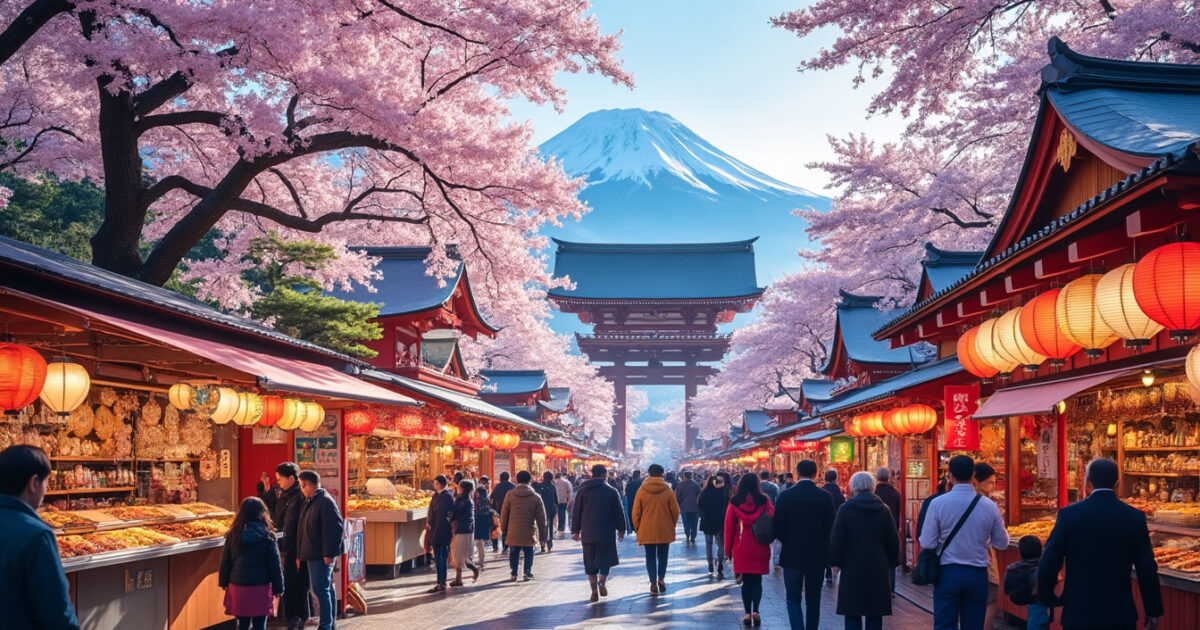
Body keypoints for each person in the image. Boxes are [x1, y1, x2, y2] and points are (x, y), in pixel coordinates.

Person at [1038, 458, 1162, 630]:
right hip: (1119, 613)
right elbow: (1147, 568)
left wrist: (1047, 597)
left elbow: (1049, 560)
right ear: (1117, 483)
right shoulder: (1134, 517)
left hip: (1079, 611)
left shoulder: (1069, 515)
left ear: (1088, 481)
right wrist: (1153, 609)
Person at [918, 455, 1008, 630]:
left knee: (945, 623)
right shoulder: (989, 506)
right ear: (973, 476)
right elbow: (1002, 543)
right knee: (974, 624)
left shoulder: (938, 504)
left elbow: (927, 542)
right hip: (978, 573)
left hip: (948, 572)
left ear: (949, 476)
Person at [0, 445, 80, 630]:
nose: (45, 489)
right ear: (34, 483)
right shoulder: (36, 535)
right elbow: (57, 613)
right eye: (46, 482)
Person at [830, 471, 900, 630]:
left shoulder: (846, 509)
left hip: (852, 566)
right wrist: (892, 562)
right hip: (878, 566)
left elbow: (837, 538)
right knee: (875, 614)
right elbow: (893, 539)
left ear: (853, 487)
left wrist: (834, 562)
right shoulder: (883, 509)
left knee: (852, 613)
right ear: (872, 486)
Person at [774, 460, 835, 630]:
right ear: (815, 474)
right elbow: (831, 528)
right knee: (814, 600)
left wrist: (788, 539)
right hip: (817, 556)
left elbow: (777, 528)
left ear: (797, 472)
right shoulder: (824, 497)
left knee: (793, 599)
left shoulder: (786, 496)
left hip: (792, 555)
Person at [256, 463, 309, 630]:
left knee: (297, 584)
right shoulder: (283, 495)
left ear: (292, 479)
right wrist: (267, 488)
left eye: (280, 479)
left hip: (295, 547)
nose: (278, 482)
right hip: (284, 545)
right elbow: (271, 510)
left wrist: (298, 551)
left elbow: (298, 525)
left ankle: (298, 618)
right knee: (290, 583)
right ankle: (294, 618)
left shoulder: (300, 497)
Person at [219, 496, 285, 630]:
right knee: (260, 624)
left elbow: (226, 561)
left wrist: (224, 582)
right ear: (262, 513)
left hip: (238, 586)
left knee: (242, 624)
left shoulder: (233, 535)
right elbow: (275, 565)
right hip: (260, 587)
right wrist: (279, 588)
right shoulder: (267, 536)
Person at [571, 464, 627, 602]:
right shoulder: (612, 491)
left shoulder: (582, 490)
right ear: (605, 474)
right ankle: (602, 580)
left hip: (588, 532)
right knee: (605, 559)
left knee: (589, 562)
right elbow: (619, 512)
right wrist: (621, 529)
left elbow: (576, 511)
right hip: (606, 532)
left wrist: (575, 530)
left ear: (592, 474)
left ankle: (594, 590)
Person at [725, 471, 774, 626]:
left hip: (741, 547)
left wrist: (728, 551)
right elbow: (772, 517)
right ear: (757, 485)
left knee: (746, 582)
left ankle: (746, 614)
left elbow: (729, 528)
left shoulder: (734, 501)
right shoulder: (764, 500)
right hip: (760, 545)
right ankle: (756, 611)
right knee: (757, 581)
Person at [297, 470, 345, 630]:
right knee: (326, 588)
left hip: (320, 555)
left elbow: (334, 529)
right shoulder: (312, 500)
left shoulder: (324, 501)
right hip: (313, 552)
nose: (301, 489)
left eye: (302, 486)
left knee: (320, 589)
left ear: (309, 485)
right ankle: (329, 623)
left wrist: (329, 554)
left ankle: (325, 625)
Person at [631, 463, 680, 595]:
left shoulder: (642, 490)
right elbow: (675, 511)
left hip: (647, 530)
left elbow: (636, 512)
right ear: (662, 474)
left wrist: (638, 528)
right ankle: (661, 579)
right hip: (664, 529)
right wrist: (671, 525)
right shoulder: (668, 490)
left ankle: (653, 583)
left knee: (650, 557)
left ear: (649, 473)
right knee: (663, 556)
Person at [500, 470, 548, 582]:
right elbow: (542, 519)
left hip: (513, 530)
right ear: (530, 480)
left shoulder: (510, 495)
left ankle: (514, 573)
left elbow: (504, 514)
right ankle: (527, 571)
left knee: (514, 551)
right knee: (529, 551)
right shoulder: (536, 496)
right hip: (529, 530)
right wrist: (543, 536)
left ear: (517, 480)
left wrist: (504, 530)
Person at [973, 463, 1002, 630]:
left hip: (958, 565)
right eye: (990, 482)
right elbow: (1002, 541)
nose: (993, 486)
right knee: (989, 601)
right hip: (985, 562)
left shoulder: (947, 502)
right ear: (976, 480)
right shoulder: (988, 505)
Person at [1004, 535, 1050, 630]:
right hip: (1040, 604)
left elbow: (1006, 587)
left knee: (1033, 621)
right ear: (1041, 551)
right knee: (1038, 622)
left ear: (1020, 553)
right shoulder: (1041, 569)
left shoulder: (1013, 568)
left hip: (1030, 603)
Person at [698, 471, 732, 579]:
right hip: (719, 522)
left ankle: (710, 565)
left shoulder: (704, 493)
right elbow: (726, 507)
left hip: (707, 522)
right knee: (721, 544)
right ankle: (720, 563)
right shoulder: (722, 493)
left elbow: (700, 507)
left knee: (709, 544)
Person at [447, 479, 480, 587]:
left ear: (462, 488)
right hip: (467, 530)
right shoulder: (468, 500)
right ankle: (459, 578)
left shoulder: (461, 500)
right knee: (461, 555)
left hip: (462, 530)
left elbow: (455, 512)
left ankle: (472, 571)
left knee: (459, 555)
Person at [873, 467, 902, 589]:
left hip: (875, 530)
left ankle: (878, 586)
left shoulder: (874, 493)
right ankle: (892, 588)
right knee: (891, 559)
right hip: (892, 528)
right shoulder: (895, 493)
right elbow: (898, 511)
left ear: (877, 477)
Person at [426, 474, 454, 592]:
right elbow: (431, 511)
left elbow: (444, 514)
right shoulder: (436, 495)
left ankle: (442, 582)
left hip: (442, 531)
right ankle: (441, 581)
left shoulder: (447, 496)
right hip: (435, 530)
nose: (434, 485)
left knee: (441, 556)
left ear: (439, 484)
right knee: (438, 556)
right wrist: (429, 522)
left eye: (435, 483)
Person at [823, 469, 847, 584]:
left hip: (823, 524)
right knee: (832, 546)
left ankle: (826, 569)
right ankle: (830, 571)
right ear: (835, 478)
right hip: (836, 523)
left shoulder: (822, 491)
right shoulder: (839, 493)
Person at [675, 470, 702, 544]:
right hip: (694, 508)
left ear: (684, 476)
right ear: (691, 476)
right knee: (694, 523)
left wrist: (680, 503)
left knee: (686, 523)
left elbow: (677, 497)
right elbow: (700, 495)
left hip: (684, 508)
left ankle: (687, 534)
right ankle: (693, 536)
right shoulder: (696, 485)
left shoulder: (680, 485)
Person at [533, 471, 558, 552]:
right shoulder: (553, 486)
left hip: (541, 509)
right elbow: (556, 499)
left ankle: (542, 543)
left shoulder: (540, 485)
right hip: (551, 509)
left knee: (541, 526)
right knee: (550, 526)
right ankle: (549, 543)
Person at [492, 472, 516, 551]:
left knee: (503, 528)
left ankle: (504, 546)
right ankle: (512, 544)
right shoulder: (513, 486)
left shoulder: (498, 486)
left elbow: (492, 497)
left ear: (501, 478)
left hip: (501, 509)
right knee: (511, 527)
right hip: (512, 509)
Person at [473, 485, 495, 571]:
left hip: (479, 521)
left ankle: (481, 561)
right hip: (485, 522)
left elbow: (478, 510)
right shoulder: (487, 500)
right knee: (480, 543)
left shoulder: (478, 501)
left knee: (479, 542)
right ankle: (481, 560)